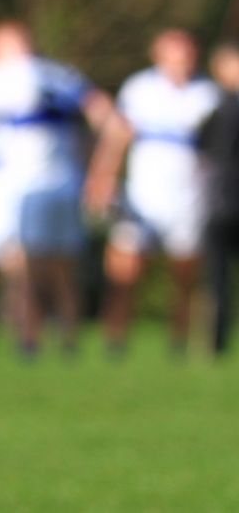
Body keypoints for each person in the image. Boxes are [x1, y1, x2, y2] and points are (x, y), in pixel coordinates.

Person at [0, 20, 125, 358]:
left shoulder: (4, 78)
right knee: (51, 266)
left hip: (19, 189)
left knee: (28, 266)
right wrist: (100, 172)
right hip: (46, 186)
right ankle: (49, 340)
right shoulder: (64, 78)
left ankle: (24, 341)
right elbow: (111, 122)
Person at [99, 28, 222, 355]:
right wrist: (102, 176)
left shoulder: (209, 95)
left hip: (190, 199)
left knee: (184, 278)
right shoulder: (139, 89)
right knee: (126, 272)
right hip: (143, 198)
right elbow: (116, 137)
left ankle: (178, 344)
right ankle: (115, 342)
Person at [202, 40, 239, 355]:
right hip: (221, 201)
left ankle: (217, 343)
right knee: (217, 277)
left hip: (223, 201)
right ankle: (216, 340)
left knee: (219, 276)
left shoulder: (220, 107)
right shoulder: (216, 105)